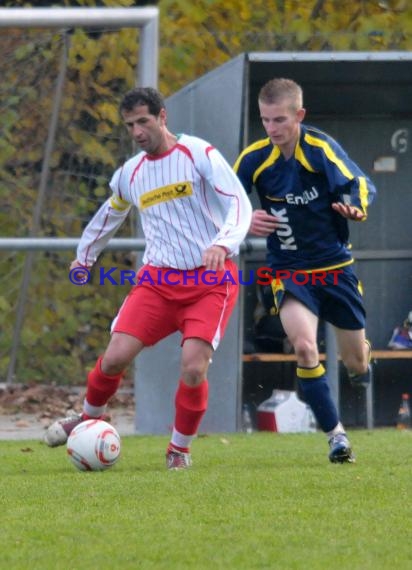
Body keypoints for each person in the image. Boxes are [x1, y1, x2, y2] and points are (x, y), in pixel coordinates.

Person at [45, 87, 252, 470]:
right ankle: (89, 418)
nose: (138, 131)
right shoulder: (131, 173)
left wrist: (222, 244)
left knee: (193, 366)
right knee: (114, 358)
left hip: (210, 282)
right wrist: (84, 257)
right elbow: (111, 213)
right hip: (158, 282)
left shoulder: (199, 154)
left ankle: (178, 449)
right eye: (130, 125)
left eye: (143, 121)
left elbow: (238, 201)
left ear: (162, 116)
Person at [234, 78, 376, 463]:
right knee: (304, 346)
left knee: (355, 364)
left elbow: (360, 182)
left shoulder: (319, 149)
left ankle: (361, 354)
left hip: (335, 269)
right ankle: (336, 436)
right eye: (265, 120)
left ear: (299, 115)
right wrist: (246, 220)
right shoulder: (254, 159)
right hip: (290, 270)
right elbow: (224, 201)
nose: (272, 129)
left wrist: (355, 207)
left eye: (280, 120)